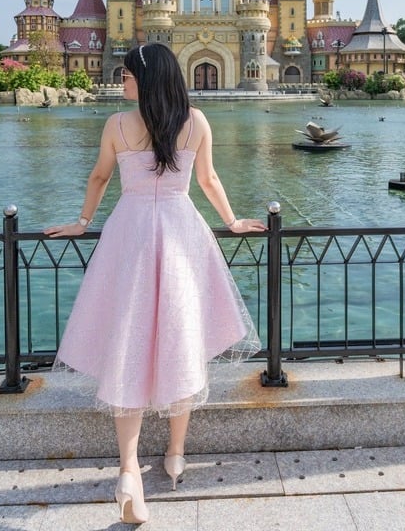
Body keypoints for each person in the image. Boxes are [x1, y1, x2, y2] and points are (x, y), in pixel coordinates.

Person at [45, 43, 264, 525]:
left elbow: (100, 176)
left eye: (126, 76)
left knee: (129, 342)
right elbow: (208, 180)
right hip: (182, 232)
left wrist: (82, 221)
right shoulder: (196, 121)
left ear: (144, 78)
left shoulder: (119, 125)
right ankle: (176, 454)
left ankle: (128, 471)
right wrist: (232, 221)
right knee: (179, 338)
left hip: (130, 234)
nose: (122, 82)